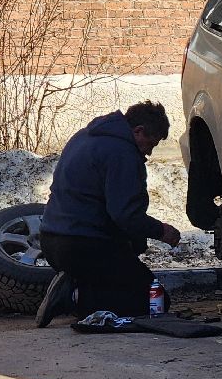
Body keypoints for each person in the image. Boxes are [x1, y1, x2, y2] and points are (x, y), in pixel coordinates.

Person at [35, 100, 181, 327]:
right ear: (138, 130)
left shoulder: (85, 136)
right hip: (85, 245)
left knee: (128, 265)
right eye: (150, 144)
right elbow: (126, 215)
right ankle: (73, 296)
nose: (149, 153)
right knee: (155, 301)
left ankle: (78, 285)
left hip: (52, 240)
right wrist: (161, 231)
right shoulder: (122, 152)